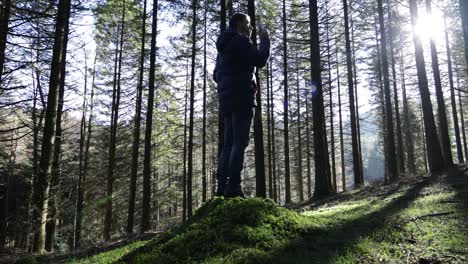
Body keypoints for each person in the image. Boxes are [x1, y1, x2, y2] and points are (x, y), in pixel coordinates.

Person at [213, 13, 270, 198]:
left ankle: (222, 188)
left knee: (229, 144)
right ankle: (234, 189)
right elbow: (260, 59)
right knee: (239, 143)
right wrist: (265, 39)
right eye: (248, 23)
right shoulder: (240, 41)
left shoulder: (223, 47)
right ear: (239, 24)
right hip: (242, 99)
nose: (251, 27)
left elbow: (216, 75)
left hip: (227, 101)